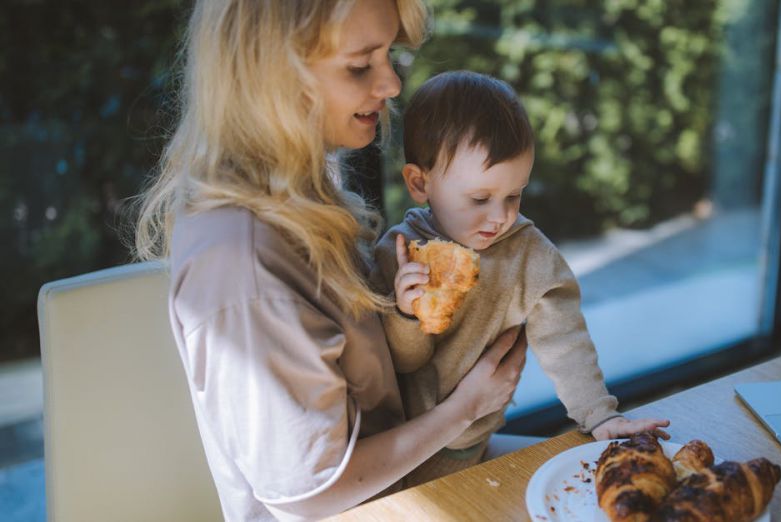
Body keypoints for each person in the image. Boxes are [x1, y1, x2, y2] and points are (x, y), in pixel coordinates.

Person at [133, 1, 530, 520]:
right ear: (272, 76)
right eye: (360, 66)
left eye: (388, 56)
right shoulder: (242, 266)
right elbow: (311, 492)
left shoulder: (302, 192)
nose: (390, 84)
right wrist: (467, 407)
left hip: (409, 479)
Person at [370, 71, 670, 485]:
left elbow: (565, 341)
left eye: (515, 195)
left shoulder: (529, 255)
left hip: (476, 439)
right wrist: (405, 314)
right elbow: (403, 362)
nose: (501, 216)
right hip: (403, 450)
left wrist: (600, 414)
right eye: (480, 199)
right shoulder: (399, 253)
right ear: (420, 183)